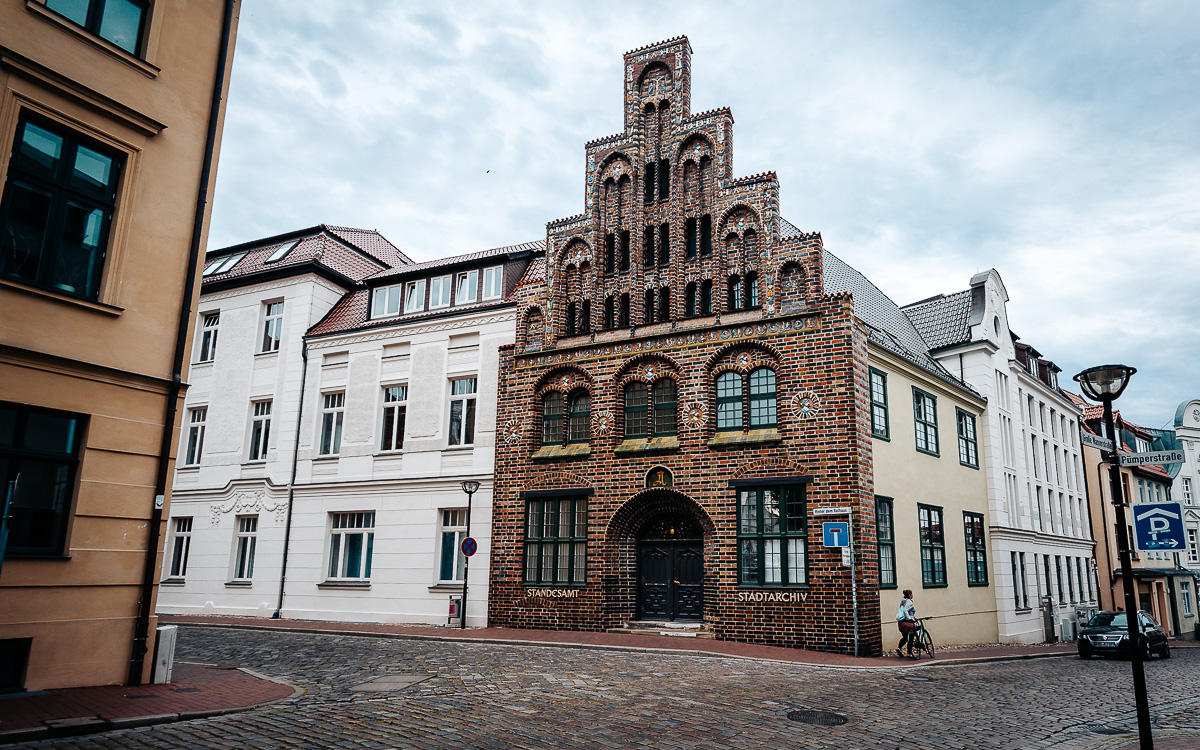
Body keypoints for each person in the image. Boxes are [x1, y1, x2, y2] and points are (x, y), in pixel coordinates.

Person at [896, 589, 917, 657]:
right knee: (911, 637)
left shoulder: (903, 601)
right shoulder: (910, 603)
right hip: (908, 623)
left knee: (905, 637)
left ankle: (899, 648)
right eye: (912, 594)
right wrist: (910, 618)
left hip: (901, 623)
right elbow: (905, 610)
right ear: (910, 595)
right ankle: (909, 653)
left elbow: (902, 610)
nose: (912, 595)